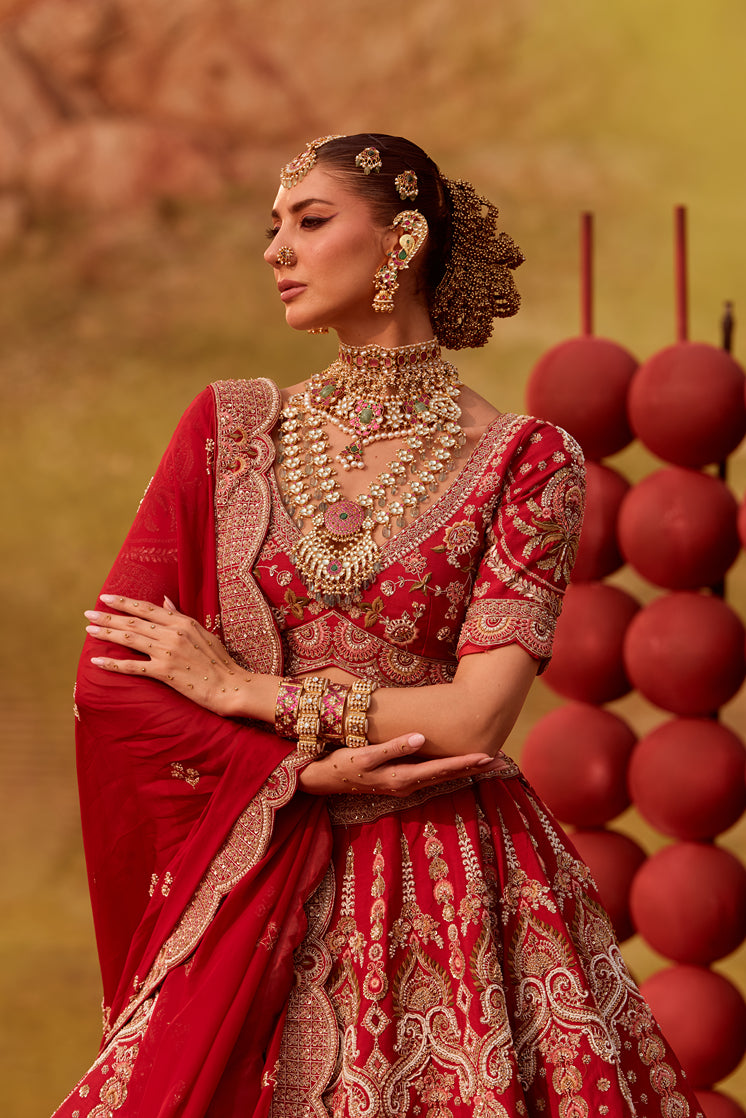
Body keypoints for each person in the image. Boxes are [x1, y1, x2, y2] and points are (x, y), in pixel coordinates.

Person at [53, 134, 702, 1118]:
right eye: (273, 226)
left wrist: (246, 692)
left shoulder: (526, 462)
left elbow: (475, 717)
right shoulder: (228, 431)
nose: (276, 249)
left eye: (309, 221)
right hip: (258, 864)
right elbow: (112, 675)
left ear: (401, 240)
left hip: (453, 883)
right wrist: (298, 774)